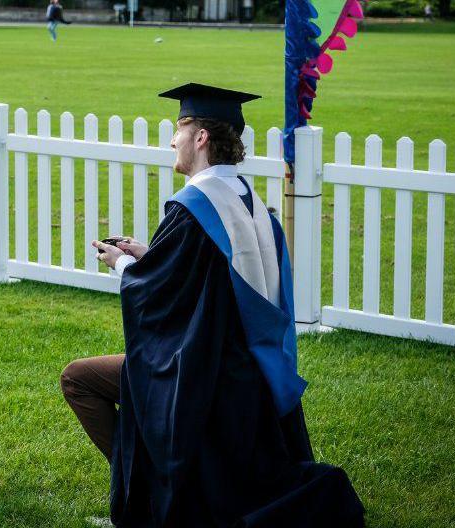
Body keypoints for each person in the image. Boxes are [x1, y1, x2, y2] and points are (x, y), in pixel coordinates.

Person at [60, 83, 365, 526]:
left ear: (200, 137)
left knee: (78, 379)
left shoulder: (192, 207)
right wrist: (153, 255)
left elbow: (161, 301)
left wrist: (125, 267)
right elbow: (211, 280)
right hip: (252, 373)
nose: (171, 140)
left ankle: (149, 492)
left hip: (201, 375)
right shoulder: (252, 203)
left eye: (178, 129)